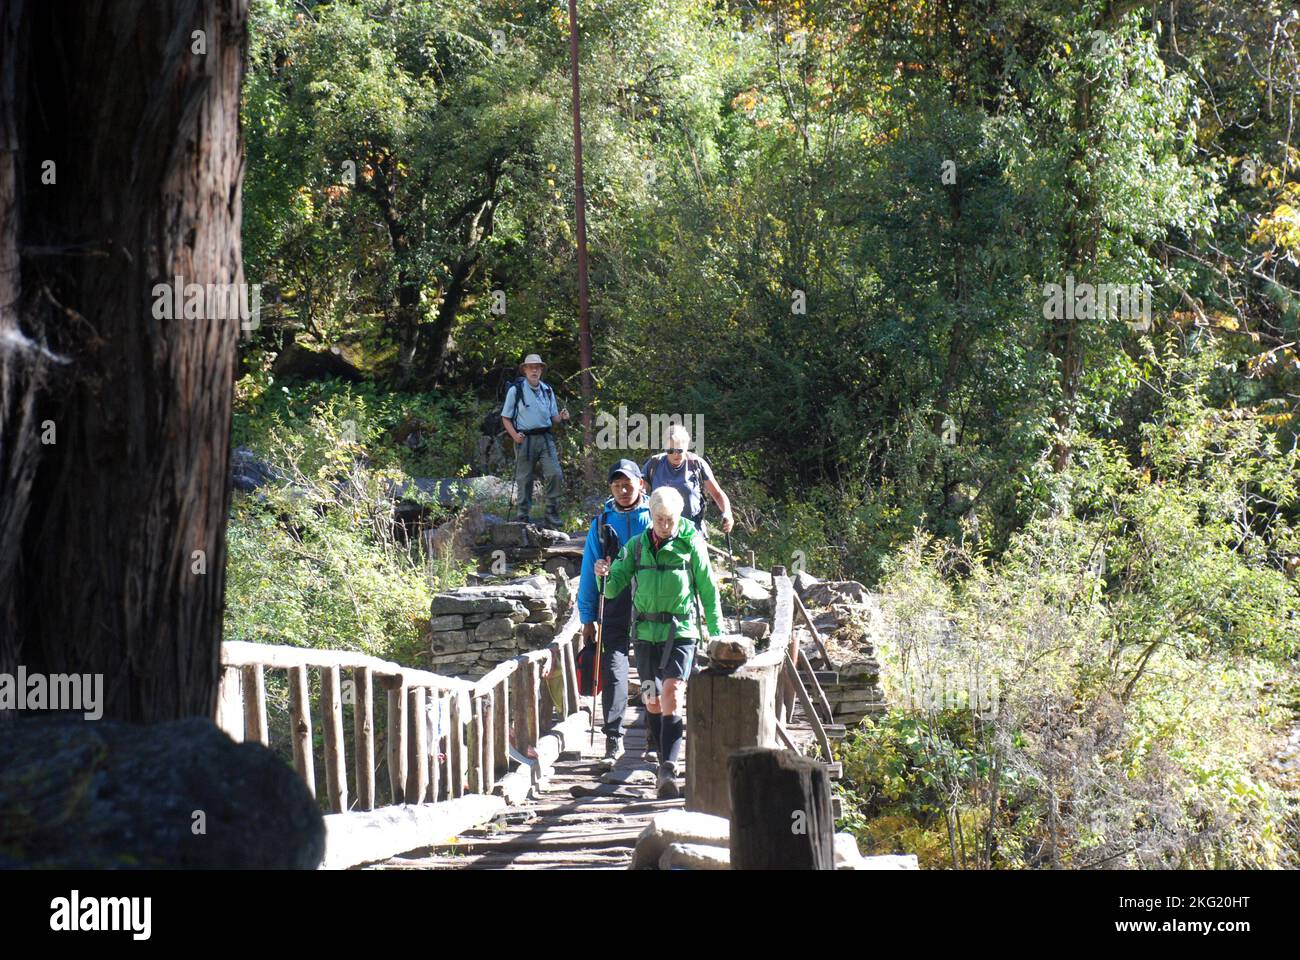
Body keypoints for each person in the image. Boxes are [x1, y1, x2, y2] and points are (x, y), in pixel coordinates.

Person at [594, 486, 722, 799]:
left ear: (678, 517)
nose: (665, 525)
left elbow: (707, 589)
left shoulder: (691, 545)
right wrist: (603, 574)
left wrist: (717, 634)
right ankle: (661, 753)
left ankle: (668, 767)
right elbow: (612, 589)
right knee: (652, 698)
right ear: (651, 516)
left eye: (670, 519)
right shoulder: (636, 547)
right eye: (660, 519)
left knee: (672, 692)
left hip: (681, 631)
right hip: (646, 634)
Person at [577, 460, 651, 769]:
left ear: (641, 485)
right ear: (610, 487)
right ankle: (613, 737)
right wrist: (587, 616)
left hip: (650, 595)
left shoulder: (656, 516)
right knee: (613, 665)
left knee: (650, 665)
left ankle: (655, 738)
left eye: (628, 484)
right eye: (616, 484)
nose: (622, 489)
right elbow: (588, 567)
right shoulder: (601, 522)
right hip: (614, 595)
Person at [500, 353, 569, 528]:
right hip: (525, 439)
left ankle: (551, 513)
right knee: (525, 479)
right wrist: (514, 435)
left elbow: (554, 418)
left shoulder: (547, 390)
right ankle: (523, 516)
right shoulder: (516, 390)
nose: (534, 370)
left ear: (541, 370)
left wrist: (562, 417)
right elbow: (505, 418)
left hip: (545, 438)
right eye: (531, 367)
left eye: (537, 367)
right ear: (524, 370)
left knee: (555, 473)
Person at [641, 424, 734, 537]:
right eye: (670, 450)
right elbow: (641, 493)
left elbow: (717, 494)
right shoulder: (654, 464)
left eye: (679, 450)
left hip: (693, 529)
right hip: (662, 529)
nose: (675, 454)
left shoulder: (696, 464)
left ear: (687, 446)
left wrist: (727, 513)